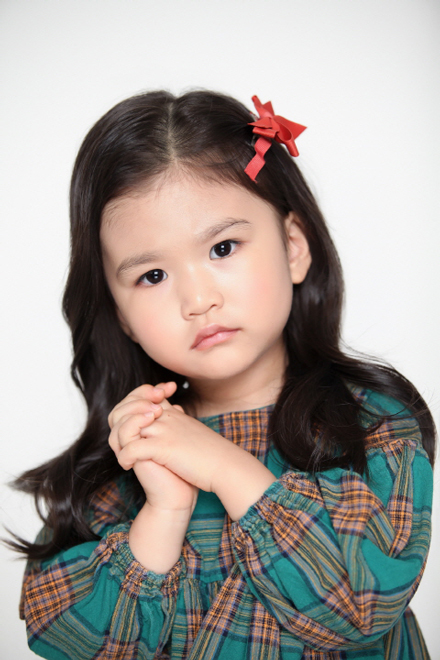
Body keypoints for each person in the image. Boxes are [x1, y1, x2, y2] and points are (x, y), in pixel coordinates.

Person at [10, 90, 435, 659]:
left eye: (223, 247)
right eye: (153, 276)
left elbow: (361, 605)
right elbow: (67, 636)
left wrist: (222, 466)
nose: (198, 299)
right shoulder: (131, 457)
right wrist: (164, 512)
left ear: (293, 246)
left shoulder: (370, 424)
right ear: (121, 316)